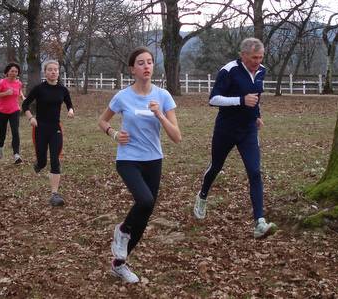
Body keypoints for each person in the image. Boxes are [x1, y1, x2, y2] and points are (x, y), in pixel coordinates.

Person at [98, 47, 181, 284]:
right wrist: (114, 134)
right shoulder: (122, 96)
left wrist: (161, 116)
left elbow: (177, 137)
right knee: (145, 201)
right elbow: (102, 121)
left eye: (150, 62)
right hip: (128, 159)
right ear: (132, 69)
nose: (146, 66)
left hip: (153, 159)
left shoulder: (163, 96)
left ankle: (119, 264)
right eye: (141, 63)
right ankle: (122, 230)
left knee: (144, 216)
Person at [192, 37, 276, 239]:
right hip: (226, 129)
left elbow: (256, 97)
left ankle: (259, 222)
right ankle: (202, 195)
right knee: (216, 167)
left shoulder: (262, 70)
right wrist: (240, 100)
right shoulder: (228, 70)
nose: (258, 61)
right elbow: (213, 99)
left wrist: (257, 115)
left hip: (248, 130)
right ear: (243, 55)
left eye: (261, 57)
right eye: (254, 57)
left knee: (255, 171)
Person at [22, 60, 74, 207]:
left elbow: (69, 103)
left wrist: (70, 110)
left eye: (55, 70)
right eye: (50, 70)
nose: (53, 72)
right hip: (40, 127)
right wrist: (31, 118)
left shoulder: (62, 90)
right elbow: (25, 104)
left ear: (58, 72)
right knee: (43, 161)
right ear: (45, 72)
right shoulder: (39, 89)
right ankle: (39, 164)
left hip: (55, 128)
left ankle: (54, 194)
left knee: (55, 159)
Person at [0, 62, 25, 164]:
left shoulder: (19, 83)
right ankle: (1, 148)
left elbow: (19, 91)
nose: (14, 73)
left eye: (16, 71)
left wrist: (22, 97)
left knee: (15, 131)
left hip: (14, 110)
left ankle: (16, 155)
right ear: (7, 72)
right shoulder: (2, 82)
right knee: (2, 132)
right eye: (12, 71)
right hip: (1, 111)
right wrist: (5, 93)